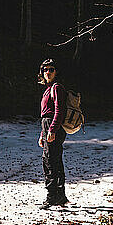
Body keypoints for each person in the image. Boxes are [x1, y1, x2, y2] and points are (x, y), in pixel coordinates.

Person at [37, 58, 69, 209]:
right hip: (48, 126)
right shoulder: (48, 89)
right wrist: (42, 134)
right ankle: (60, 196)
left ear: (56, 72)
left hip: (53, 126)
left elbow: (59, 111)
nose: (48, 72)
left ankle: (52, 197)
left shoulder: (56, 88)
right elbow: (46, 114)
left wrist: (52, 130)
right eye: (45, 70)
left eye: (51, 69)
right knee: (54, 160)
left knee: (50, 161)